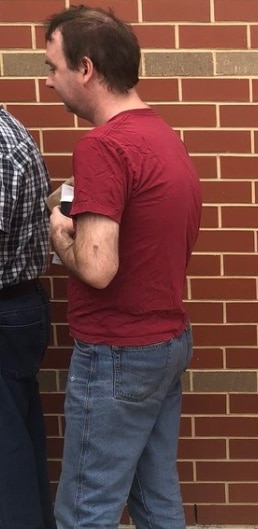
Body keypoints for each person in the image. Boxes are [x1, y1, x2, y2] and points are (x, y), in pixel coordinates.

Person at [45, 6, 202, 529]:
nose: (49, 83)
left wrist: (58, 232)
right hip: (165, 342)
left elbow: (97, 267)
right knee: (156, 502)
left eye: (52, 68)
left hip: (116, 353)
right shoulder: (162, 135)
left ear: (85, 69)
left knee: (86, 510)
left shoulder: (103, 146)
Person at [0, 106, 55, 529]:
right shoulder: (9, 128)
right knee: (17, 440)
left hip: (6, 305)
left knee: (7, 457)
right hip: (17, 304)